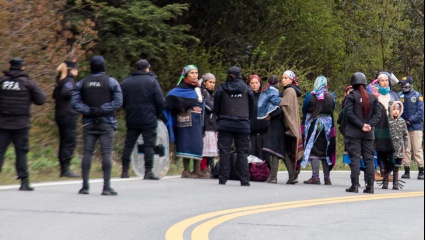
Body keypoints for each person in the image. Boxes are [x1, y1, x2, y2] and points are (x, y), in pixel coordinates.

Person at [71, 55, 123, 196]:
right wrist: (102, 109)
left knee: (87, 153)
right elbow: (118, 102)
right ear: (103, 66)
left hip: (89, 122)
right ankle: (106, 187)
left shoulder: (83, 82)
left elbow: (74, 102)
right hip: (107, 121)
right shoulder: (111, 82)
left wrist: (89, 110)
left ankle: (85, 187)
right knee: (106, 154)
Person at [0, 57, 46, 191]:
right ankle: (24, 182)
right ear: (22, 67)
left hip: (2, 124)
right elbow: (41, 100)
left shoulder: (2, 82)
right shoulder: (28, 83)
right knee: (21, 152)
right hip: (21, 124)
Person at [120, 59, 165, 180]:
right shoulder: (152, 81)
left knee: (129, 144)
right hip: (148, 118)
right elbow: (160, 101)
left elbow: (120, 101)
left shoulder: (126, 82)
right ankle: (148, 171)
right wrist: (158, 114)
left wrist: (128, 110)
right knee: (149, 145)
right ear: (147, 68)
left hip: (132, 117)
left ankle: (124, 170)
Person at [214, 66, 255, 186]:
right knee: (242, 152)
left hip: (225, 124)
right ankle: (244, 180)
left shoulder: (222, 88)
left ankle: (223, 178)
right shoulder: (247, 89)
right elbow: (252, 107)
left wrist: (222, 118)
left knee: (224, 151)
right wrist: (246, 119)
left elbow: (216, 107)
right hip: (242, 124)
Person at [345, 72, 381, 194]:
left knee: (355, 158)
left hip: (354, 132)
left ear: (353, 83)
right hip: (369, 133)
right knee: (369, 159)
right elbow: (378, 114)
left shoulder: (351, 97)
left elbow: (349, 114)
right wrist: (369, 125)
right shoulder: (372, 97)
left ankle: (354, 186)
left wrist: (361, 125)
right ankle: (370, 186)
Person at [165, 65, 204, 178]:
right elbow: (170, 101)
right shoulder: (178, 90)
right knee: (185, 143)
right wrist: (184, 106)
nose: (195, 75)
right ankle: (186, 170)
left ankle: (196, 170)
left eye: (196, 73)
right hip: (184, 121)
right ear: (186, 75)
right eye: (192, 73)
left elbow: (201, 103)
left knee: (197, 143)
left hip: (197, 121)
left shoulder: (198, 89)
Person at [264, 71, 302, 184]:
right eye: (283, 78)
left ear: (291, 80)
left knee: (275, 149)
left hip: (282, 123)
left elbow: (283, 108)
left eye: (286, 78)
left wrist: (271, 115)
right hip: (284, 124)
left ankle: (274, 176)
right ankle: (291, 175)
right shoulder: (289, 90)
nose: (283, 80)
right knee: (281, 150)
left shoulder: (290, 91)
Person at [301, 76, 336, 185]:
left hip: (313, 125)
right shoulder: (331, 97)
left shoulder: (310, 97)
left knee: (313, 148)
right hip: (327, 127)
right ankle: (327, 177)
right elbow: (332, 109)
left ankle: (315, 176)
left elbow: (304, 109)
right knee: (326, 150)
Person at [53, 60, 80, 178]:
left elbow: (55, 95)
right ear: (71, 70)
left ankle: (63, 167)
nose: (77, 71)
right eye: (76, 69)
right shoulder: (69, 81)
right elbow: (67, 93)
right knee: (70, 141)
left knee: (64, 141)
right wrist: (79, 94)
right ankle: (65, 168)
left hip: (60, 114)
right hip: (68, 115)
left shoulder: (60, 81)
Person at [398, 76, 424, 180]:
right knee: (406, 149)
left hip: (416, 126)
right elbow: (396, 109)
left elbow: (421, 111)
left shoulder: (418, 95)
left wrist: (410, 120)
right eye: (402, 84)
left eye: (404, 84)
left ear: (409, 84)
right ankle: (406, 170)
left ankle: (421, 170)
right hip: (403, 126)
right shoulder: (399, 95)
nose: (403, 85)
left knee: (417, 148)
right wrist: (402, 120)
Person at [384, 101, 408, 190]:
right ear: (390, 110)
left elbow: (405, 135)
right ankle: (385, 180)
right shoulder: (386, 120)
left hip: (399, 148)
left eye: (398, 109)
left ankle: (395, 181)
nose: (396, 111)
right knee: (388, 164)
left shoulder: (402, 121)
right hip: (388, 148)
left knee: (396, 166)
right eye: (394, 109)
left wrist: (405, 146)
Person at [199, 73, 218, 177]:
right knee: (205, 147)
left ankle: (210, 167)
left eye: (214, 82)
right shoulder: (202, 93)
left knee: (211, 148)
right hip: (206, 124)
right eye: (210, 82)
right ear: (204, 82)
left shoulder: (211, 94)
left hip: (212, 124)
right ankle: (203, 168)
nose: (212, 84)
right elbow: (210, 107)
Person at [246, 74, 269, 162]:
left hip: (264, 131)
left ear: (260, 84)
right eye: (252, 83)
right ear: (249, 84)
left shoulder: (265, 96)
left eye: (256, 82)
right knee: (251, 156)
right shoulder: (247, 97)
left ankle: (266, 172)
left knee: (264, 156)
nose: (254, 85)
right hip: (251, 131)